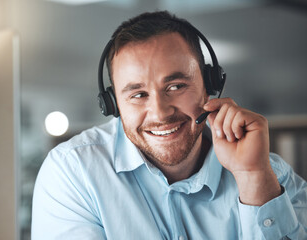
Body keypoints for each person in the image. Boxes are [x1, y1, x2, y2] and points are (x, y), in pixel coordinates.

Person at [31, 11, 307, 239]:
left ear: (210, 87)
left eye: (176, 86)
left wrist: (252, 177)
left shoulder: (272, 177)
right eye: (138, 95)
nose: (160, 113)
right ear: (112, 105)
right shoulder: (73, 173)